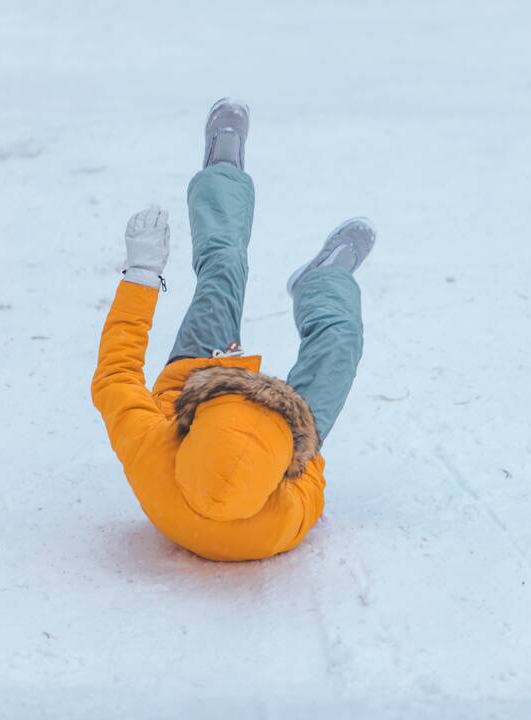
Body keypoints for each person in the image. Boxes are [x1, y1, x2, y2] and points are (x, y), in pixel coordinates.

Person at [92, 98, 375, 562]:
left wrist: (142, 276)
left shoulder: (153, 454)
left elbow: (114, 376)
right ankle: (323, 281)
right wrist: (300, 441)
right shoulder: (284, 519)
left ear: (187, 428)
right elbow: (312, 475)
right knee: (339, 346)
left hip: (198, 377)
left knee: (223, 269)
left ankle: (221, 172)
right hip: (271, 421)